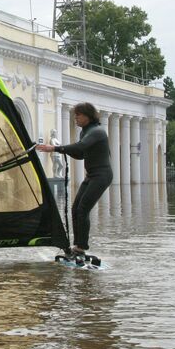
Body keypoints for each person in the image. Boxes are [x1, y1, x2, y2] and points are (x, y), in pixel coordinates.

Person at [37, 102, 112, 255]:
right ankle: (78, 245)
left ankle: (81, 247)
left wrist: (55, 148)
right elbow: (80, 154)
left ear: (88, 116)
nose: (75, 118)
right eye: (74, 115)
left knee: (83, 208)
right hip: (91, 176)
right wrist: (63, 150)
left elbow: (80, 147)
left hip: (101, 176)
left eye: (78, 115)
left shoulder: (97, 131)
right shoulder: (85, 132)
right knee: (75, 208)